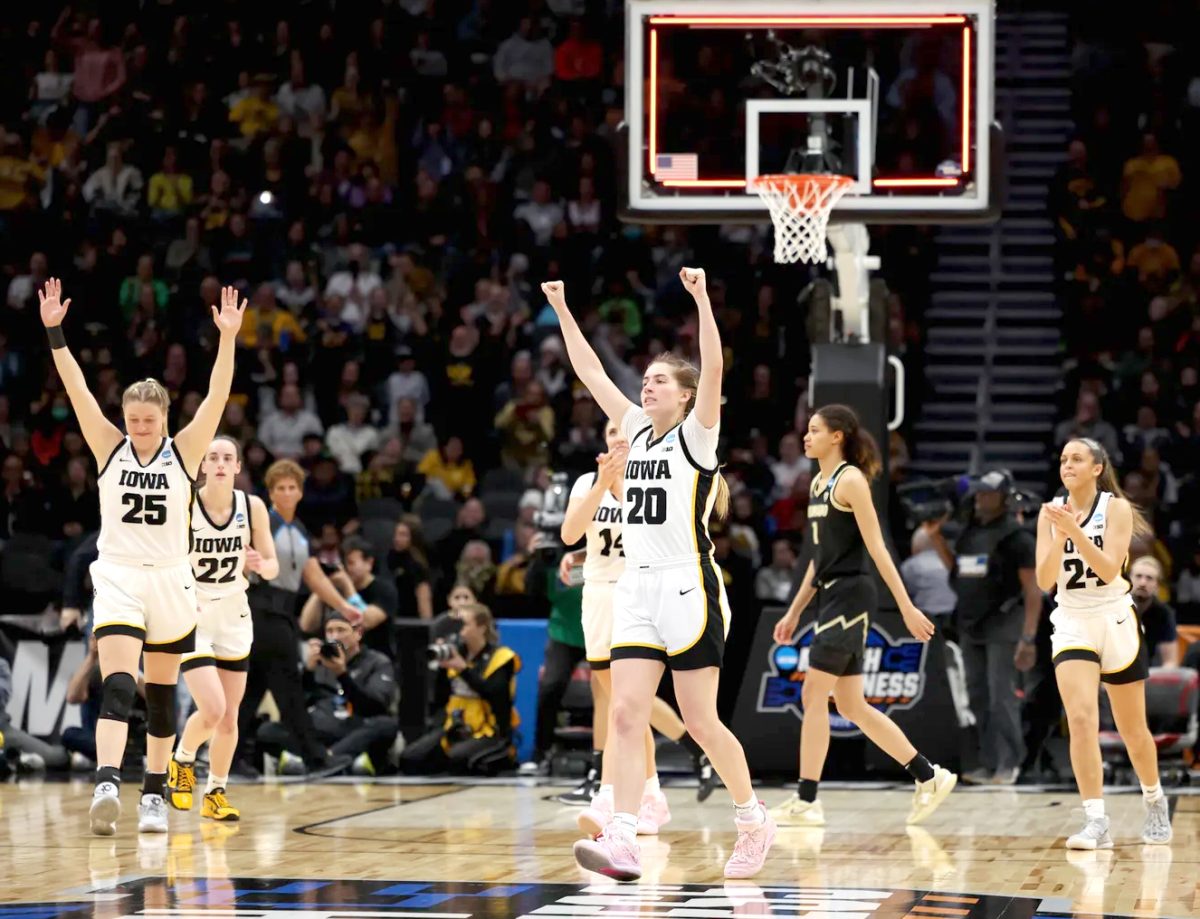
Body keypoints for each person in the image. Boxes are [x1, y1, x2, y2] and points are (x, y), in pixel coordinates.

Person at [543, 269, 774, 882]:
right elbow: (591, 371)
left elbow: (716, 368)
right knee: (624, 712)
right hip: (635, 586)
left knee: (700, 720)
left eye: (660, 380)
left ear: (685, 396)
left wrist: (701, 297)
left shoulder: (699, 437)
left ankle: (753, 820)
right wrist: (564, 309)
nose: (646, 386)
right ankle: (622, 835)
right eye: (644, 379)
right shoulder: (635, 432)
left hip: (688, 585)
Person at [40, 278, 243, 835]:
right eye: (133, 420)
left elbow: (219, 395)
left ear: (164, 416)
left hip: (173, 581)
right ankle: (107, 782)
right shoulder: (109, 447)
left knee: (159, 698)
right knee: (118, 683)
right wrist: (55, 331)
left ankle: (153, 792)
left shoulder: (186, 451)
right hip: (120, 577)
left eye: (148, 420)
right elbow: (77, 387)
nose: (140, 428)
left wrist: (227, 340)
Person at [770, 404, 956, 828]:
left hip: (853, 595)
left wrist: (907, 606)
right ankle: (928, 775)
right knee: (851, 705)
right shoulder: (818, 482)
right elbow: (819, 558)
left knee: (812, 695)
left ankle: (807, 800)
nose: (806, 437)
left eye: (814, 430)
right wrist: (794, 612)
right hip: (830, 595)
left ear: (837, 436)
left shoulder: (850, 479)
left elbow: (877, 548)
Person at [558, 418, 714, 825]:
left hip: (636, 592)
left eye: (623, 434)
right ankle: (644, 794)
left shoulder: (653, 483)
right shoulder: (586, 483)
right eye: (610, 434)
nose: (616, 440)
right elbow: (571, 533)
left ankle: (622, 795)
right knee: (618, 702)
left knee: (626, 704)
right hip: (595, 592)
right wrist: (600, 486)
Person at [1036, 437, 1172, 847]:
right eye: (1063, 459)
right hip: (1073, 618)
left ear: (1097, 467)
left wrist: (1074, 530)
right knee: (1080, 719)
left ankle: (1154, 798)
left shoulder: (1115, 508)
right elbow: (1044, 581)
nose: (1067, 465)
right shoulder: (1050, 513)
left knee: (1133, 729)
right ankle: (1096, 819)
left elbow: (1111, 570)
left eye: (1077, 458)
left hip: (1114, 616)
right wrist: (1060, 533)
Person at [166, 437, 278, 822]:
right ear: (201, 466)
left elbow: (274, 566)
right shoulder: (185, 503)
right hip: (194, 613)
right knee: (211, 709)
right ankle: (181, 759)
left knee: (230, 717)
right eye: (211, 456)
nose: (218, 463)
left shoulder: (253, 507)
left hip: (235, 614)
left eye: (226, 457)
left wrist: (260, 565)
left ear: (237, 467)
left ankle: (215, 791)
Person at [233, 459, 365, 778]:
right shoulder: (263, 523)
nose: (287, 493)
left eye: (293, 487)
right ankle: (315, 757)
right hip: (260, 608)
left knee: (251, 690)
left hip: (283, 610)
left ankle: (227, 758)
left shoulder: (300, 530)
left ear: (301, 492)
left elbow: (313, 574)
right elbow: (241, 561)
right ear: (271, 492)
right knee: (288, 687)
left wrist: (344, 606)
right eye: (281, 488)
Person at [927, 470, 1042, 786]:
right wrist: (936, 537)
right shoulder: (970, 532)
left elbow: (1033, 591)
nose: (980, 499)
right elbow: (958, 570)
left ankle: (1010, 763)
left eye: (987, 494)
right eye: (977, 494)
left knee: (1001, 695)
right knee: (976, 695)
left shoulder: (1017, 538)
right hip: (970, 623)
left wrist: (1028, 637)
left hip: (1004, 624)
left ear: (1004, 498)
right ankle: (989, 763)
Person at [257, 612, 398, 776]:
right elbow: (294, 706)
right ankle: (341, 761)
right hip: (317, 731)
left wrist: (342, 675)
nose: (334, 636)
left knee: (386, 725)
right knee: (268, 730)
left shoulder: (377, 661)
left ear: (358, 633)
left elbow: (375, 706)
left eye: (340, 630)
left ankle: (322, 759)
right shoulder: (318, 661)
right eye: (329, 631)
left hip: (354, 729)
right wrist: (308, 671)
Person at [398, 604, 519, 775]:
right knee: (410, 757)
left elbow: (497, 696)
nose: (459, 630)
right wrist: (442, 668)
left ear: (481, 627)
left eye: (465, 624)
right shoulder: (456, 653)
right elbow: (440, 698)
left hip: (490, 730)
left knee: (457, 758)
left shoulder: (501, 657)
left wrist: (463, 670)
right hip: (455, 726)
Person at [1128, 557, 1178, 667]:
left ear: (1157, 585)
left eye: (1149, 578)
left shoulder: (1164, 613)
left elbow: (1170, 661)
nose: (1143, 582)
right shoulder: (1114, 607)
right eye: (1138, 576)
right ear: (1129, 579)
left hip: (1151, 674)